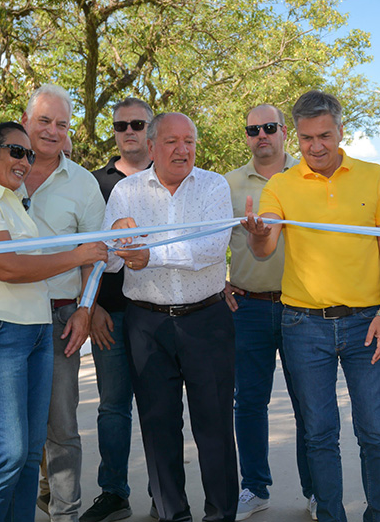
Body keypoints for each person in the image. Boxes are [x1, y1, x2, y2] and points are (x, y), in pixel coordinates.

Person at [243, 90, 380, 522]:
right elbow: (265, 248)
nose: (315, 146)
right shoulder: (281, 185)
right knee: (318, 434)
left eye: (324, 136)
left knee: (376, 433)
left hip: (368, 321)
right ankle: (331, 515)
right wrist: (258, 233)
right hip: (304, 326)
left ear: (341, 131)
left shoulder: (374, 177)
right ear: (295, 136)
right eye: (306, 137)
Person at [0, 121, 107, 522]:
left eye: (29, 154)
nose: (25, 161)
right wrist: (79, 255)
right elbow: (8, 267)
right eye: (16, 151)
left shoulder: (14, 203)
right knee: (7, 455)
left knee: (31, 453)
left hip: (36, 330)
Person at [104, 112, 238, 522]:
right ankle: (172, 514)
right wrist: (116, 238)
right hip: (146, 324)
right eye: (171, 142)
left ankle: (221, 515)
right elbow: (110, 261)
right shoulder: (125, 192)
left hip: (207, 320)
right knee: (157, 426)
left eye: (189, 141)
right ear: (151, 146)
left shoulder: (214, 186)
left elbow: (211, 248)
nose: (183, 150)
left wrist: (148, 252)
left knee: (215, 426)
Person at [224, 104, 315, 521]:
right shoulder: (227, 184)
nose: (261, 135)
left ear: (284, 132)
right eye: (253, 129)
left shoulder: (308, 176)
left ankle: (316, 490)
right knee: (248, 403)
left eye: (269, 127)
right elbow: (211, 243)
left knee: (308, 404)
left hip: (302, 307)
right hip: (248, 307)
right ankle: (254, 488)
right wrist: (219, 282)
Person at [80, 97, 155, 522]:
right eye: (121, 125)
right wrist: (90, 307)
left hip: (157, 312)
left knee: (159, 405)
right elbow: (87, 249)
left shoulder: (169, 176)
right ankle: (113, 493)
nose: (129, 131)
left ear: (150, 130)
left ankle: (163, 493)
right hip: (109, 313)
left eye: (137, 124)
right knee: (112, 407)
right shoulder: (93, 183)